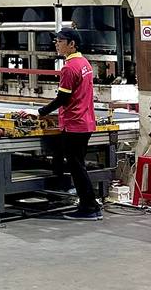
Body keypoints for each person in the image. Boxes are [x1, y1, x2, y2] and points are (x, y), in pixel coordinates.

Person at [38, 28, 102, 221]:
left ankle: (89, 207)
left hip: (74, 123)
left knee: (76, 167)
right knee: (79, 165)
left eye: (60, 41)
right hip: (86, 122)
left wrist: (42, 112)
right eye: (56, 41)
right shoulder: (84, 63)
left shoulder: (69, 67)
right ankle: (90, 205)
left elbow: (63, 98)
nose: (56, 44)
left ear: (72, 44)